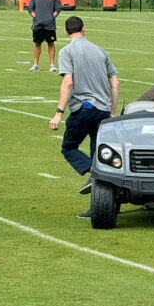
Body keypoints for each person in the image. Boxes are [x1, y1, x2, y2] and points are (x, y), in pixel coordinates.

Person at [48, 16, 119, 211]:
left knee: (69, 148)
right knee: (99, 155)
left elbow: (68, 82)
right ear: (84, 29)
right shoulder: (100, 51)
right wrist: (112, 111)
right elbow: (115, 83)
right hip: (103, 111)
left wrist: (58, 113)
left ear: (65, 32)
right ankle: (100, 206)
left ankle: (95, 173)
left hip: (84, 109)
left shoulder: (67, 52)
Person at [27, 0, 62, 72]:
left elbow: (58, 9)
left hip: (49, 25)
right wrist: (35, 17)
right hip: (37, 25)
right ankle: (35, 64)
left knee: (51, 43)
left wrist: (51, 18)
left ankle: (52, 65)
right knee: (37, 44)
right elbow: (30, 7)